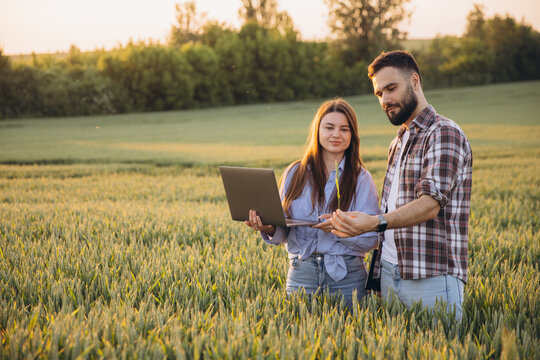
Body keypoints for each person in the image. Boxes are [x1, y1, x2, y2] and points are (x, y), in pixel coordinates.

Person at [330, 50, 472, 320]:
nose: (385, 99)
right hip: (390, 272)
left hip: (431, 277)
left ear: (415, 81)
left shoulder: (443, 132)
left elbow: (430, 204)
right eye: (379, 93)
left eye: (391, 88)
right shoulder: (398, 142)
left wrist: (373, 222)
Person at [245, 99, 379, 309]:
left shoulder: (361, 178)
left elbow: (372, 237)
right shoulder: (294, 173)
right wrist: (268, 226)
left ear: (352, 135)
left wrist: (339, 228)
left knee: (349, 338)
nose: (336, 134)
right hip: (301, 273)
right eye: (329, 127)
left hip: (347, 276)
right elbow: (283, 232)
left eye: (344, 129)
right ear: (317, 130)